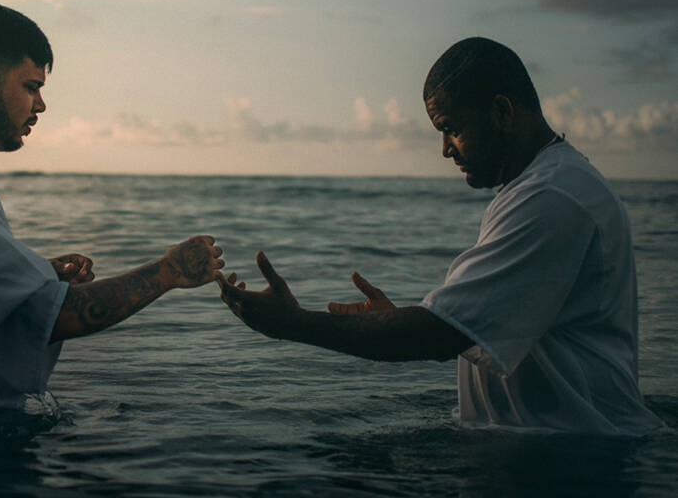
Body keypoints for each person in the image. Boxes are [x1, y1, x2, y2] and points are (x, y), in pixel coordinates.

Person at [218, 37, 665, 436]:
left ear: (502, 112)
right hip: (544, 447)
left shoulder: (552, 196)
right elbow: (470, 326)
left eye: (451, 128)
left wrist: (292, 323)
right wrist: (392, 321)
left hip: (573, 458)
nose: (446, 149)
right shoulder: (546, 186)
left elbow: (440, 335)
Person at [0, 0, 225, 427]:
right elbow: (51, 317)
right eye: (31, 87)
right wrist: (168, 272)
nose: (41, 105)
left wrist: (35, 271)